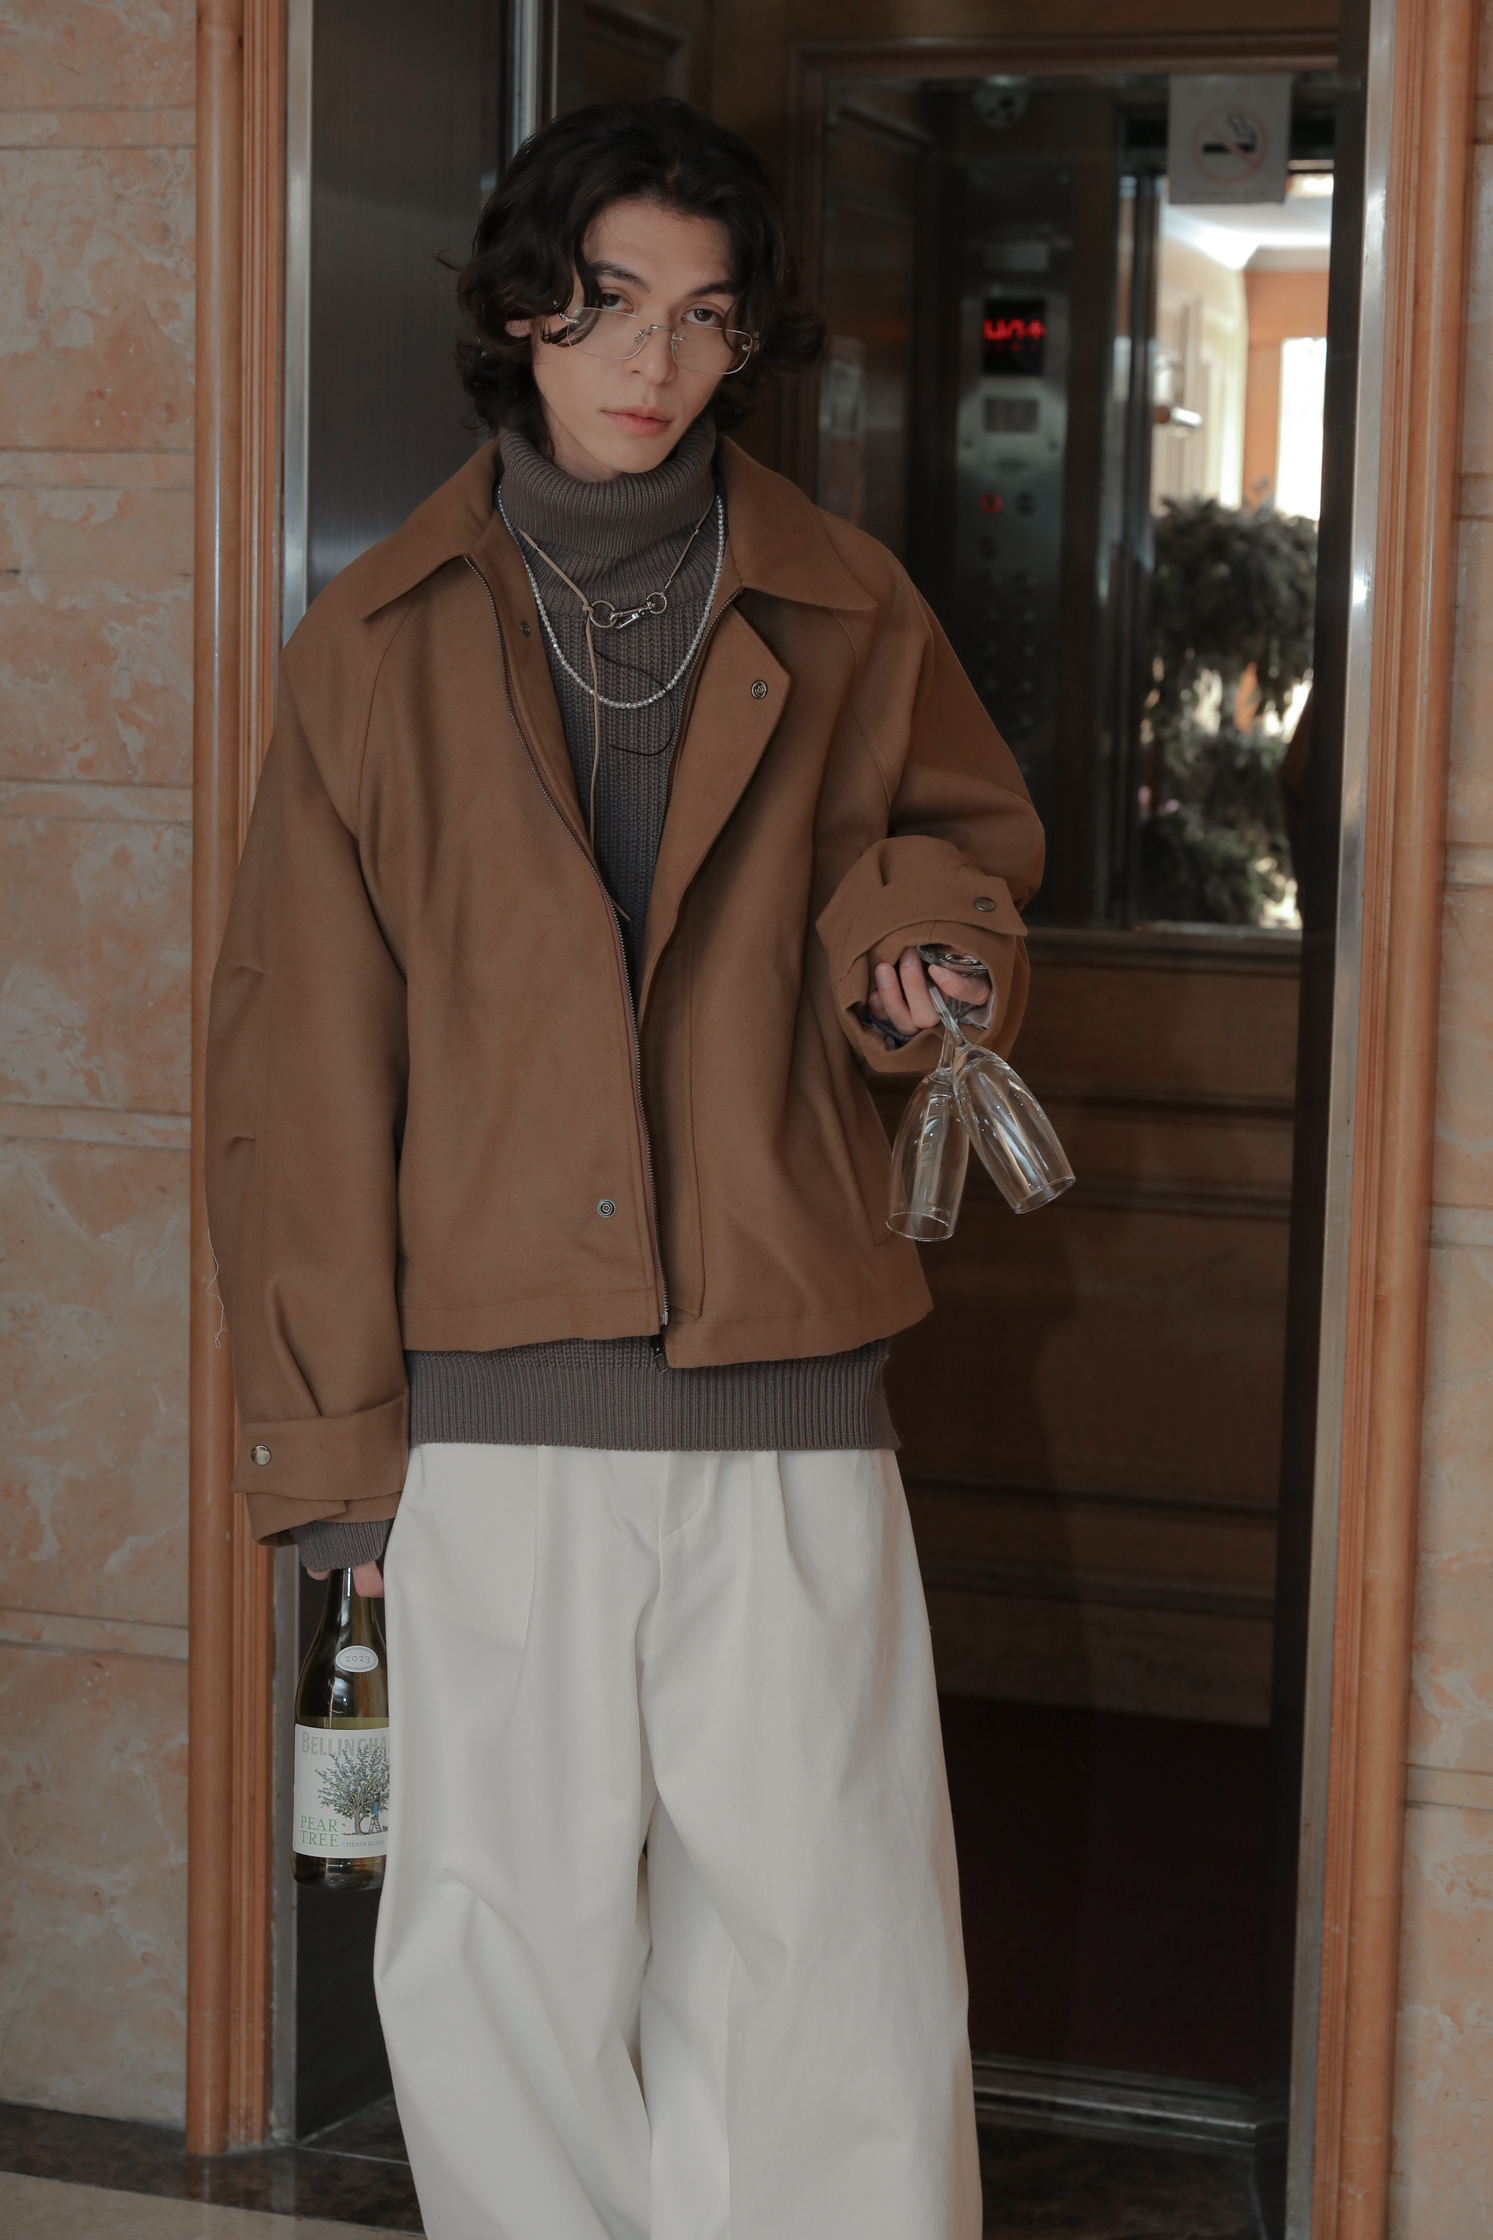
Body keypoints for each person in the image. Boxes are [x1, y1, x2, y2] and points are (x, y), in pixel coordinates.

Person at [206, 95, 1042, 2240]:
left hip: (785, 1381)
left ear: (744, 338)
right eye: (605, 305)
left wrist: (923, 953)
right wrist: (333, 1452)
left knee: (832, 1950)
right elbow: (303, 1066)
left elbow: (946, 853)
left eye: (702, 315)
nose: (653, 360)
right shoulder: (369, 641)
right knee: (499, 1956)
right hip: (487, 1405)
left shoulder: (850, 606)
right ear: (519, 309)